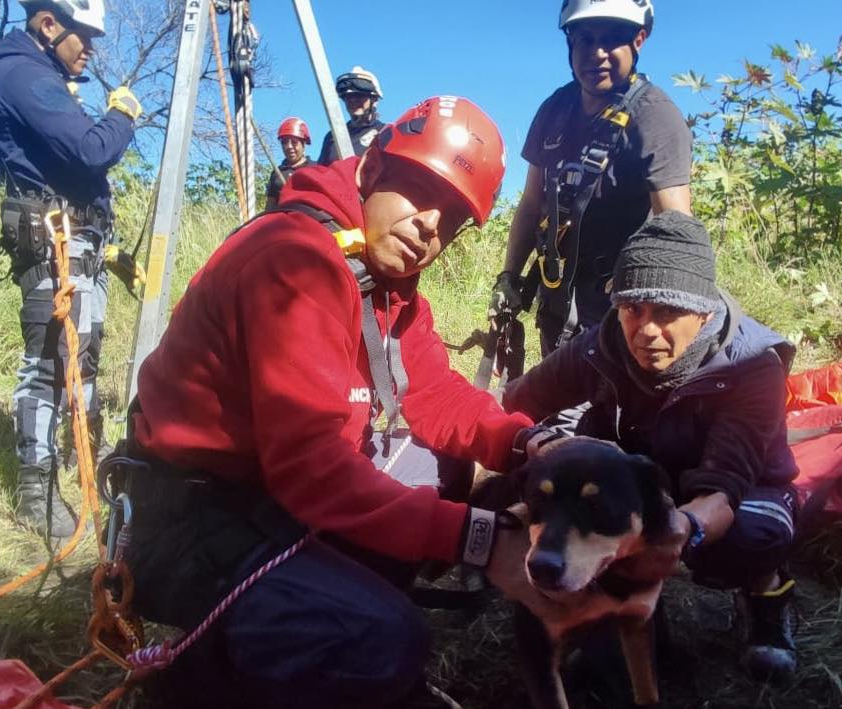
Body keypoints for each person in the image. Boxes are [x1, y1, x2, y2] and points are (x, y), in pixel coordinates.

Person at [118, 97, 563, 709]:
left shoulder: (383, 282)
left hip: (260, 493)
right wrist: (479, 538)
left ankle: (328, 611)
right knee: (384, 639)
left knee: (443, 466)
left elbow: (433, 393)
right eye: (420, 189)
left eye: (454, 217)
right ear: (374, 168)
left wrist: (525, 442)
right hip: (182, 517)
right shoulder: (293, 258)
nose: (432, 225)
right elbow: (311, 471)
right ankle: (204, 679)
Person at [502, 210, 800, 684]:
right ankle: (610, 601)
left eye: (667, 313)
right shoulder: (598, 347)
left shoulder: (751, 367)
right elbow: (513, 402)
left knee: (747, 539)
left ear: (703, 311)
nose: (645, 331)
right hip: (638, 484)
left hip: (738, 492)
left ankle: (767, 595)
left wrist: (681, 531)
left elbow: (723, 488)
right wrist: (539, 441)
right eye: (632, 309)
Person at [0, 0, 144, 541]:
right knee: (50, 364)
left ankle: (83, 467)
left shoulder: (42, 77)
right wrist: (121, 114)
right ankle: (36, 488)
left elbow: (74, 176)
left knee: (84, 361)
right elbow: (91, 150)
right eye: (84, 36)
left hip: (81, 246)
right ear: (49, 25)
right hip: (54, 247)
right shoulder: (22, 74)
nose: (91, 49)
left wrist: (112, 252)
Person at [490, 0, 692, 356]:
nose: (596, 53)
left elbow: (675, 227)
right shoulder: (554, 109)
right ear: (570, 43)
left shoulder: (655, 118)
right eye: (584, 39)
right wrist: (509, 277)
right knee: (556, 402)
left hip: (621, 307)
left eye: (612, 39)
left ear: (638, 40)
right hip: (557, 294)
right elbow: (531, 202)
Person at [317, 66, 386, 165]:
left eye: (359, 95)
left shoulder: (384, 133)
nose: (353, 100)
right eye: (348, 97)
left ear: (374, 99)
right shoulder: (333, 137)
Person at [264, 117, 315, 209]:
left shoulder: (316, 169)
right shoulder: (277, 173)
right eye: (285, 142)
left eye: (294, 142)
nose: (289, 146)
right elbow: (270, 206)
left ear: (304, 144)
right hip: (282, 220)